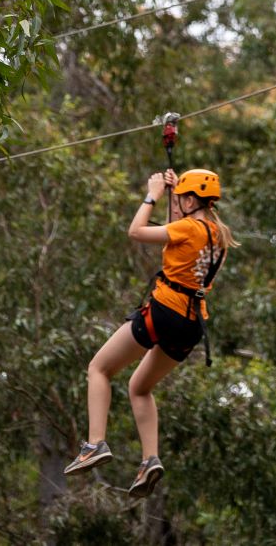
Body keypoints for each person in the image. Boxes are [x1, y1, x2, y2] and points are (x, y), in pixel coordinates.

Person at [64, 167, 235, 499]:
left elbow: (136, 231)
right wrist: (175, 192)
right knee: (139, 387)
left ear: (189, 200)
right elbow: (181, 228)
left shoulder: (186, 227)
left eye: (181, 198)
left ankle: (95, 443)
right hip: (191, 325)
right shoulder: (218, 237)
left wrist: (153, 194)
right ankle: (149, 460)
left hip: (164, 311)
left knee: (99, 368)